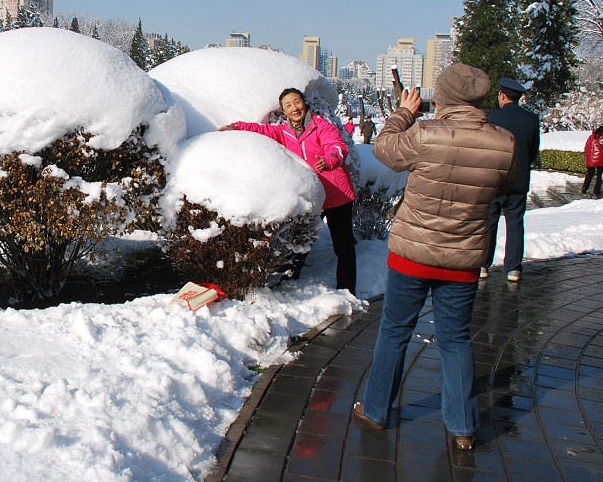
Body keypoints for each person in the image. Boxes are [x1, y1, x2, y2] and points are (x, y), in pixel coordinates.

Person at [353, 64, 518, 451]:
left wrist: (404, 113)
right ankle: (462, 426)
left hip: (413, 254)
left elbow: (384, 150)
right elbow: (504, 183)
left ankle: (376, 410)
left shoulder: (426, 134)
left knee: (395, 331)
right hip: (463, 258)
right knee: (456, 339)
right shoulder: (504, 142)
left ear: (443, 98)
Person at [220, 87, 357, 293]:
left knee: (343, 245)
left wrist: (328, 161)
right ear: (283, 110)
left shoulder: (321, 126)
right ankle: (291, 282)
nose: (294, 108)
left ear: (304, 103)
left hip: (337, 194)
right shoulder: (285, 132)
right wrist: (237, 126)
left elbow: (337, 147)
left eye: (297, 102)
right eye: (288, 105)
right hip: (313, 196)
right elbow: (261, 130)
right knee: (300, 240)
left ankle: (347, 290)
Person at [484, 77, 540, 283]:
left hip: (495, 179)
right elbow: (533, 151)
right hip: (519, 179)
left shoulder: (491, 117)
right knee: (515, 223)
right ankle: (513, 268)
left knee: (490, 222)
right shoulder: (532, 120)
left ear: (502, 95)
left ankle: (483, 264)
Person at [583, 126, 603, 198]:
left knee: (589, 174)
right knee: (599, 175)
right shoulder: (602, 138)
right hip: (600, 159)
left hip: (590, 159)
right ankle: (596, 190)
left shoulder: (591, 137)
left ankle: (584, 189)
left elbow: (586, 147)